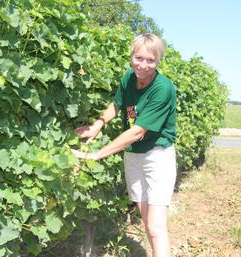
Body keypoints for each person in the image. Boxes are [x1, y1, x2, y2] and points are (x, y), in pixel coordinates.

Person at [71, 33, 177, 257]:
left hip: (157, 157)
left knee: (156, 226)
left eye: (151, 60)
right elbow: (117, 104)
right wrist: (99, 123)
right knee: (148, 224)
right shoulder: (129, 78)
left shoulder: (163, 88)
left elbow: (137, 131)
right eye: (139, 58)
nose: (143, 65)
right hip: (133, 156)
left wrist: (98, 154)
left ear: (158, 61)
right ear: (132, 57)